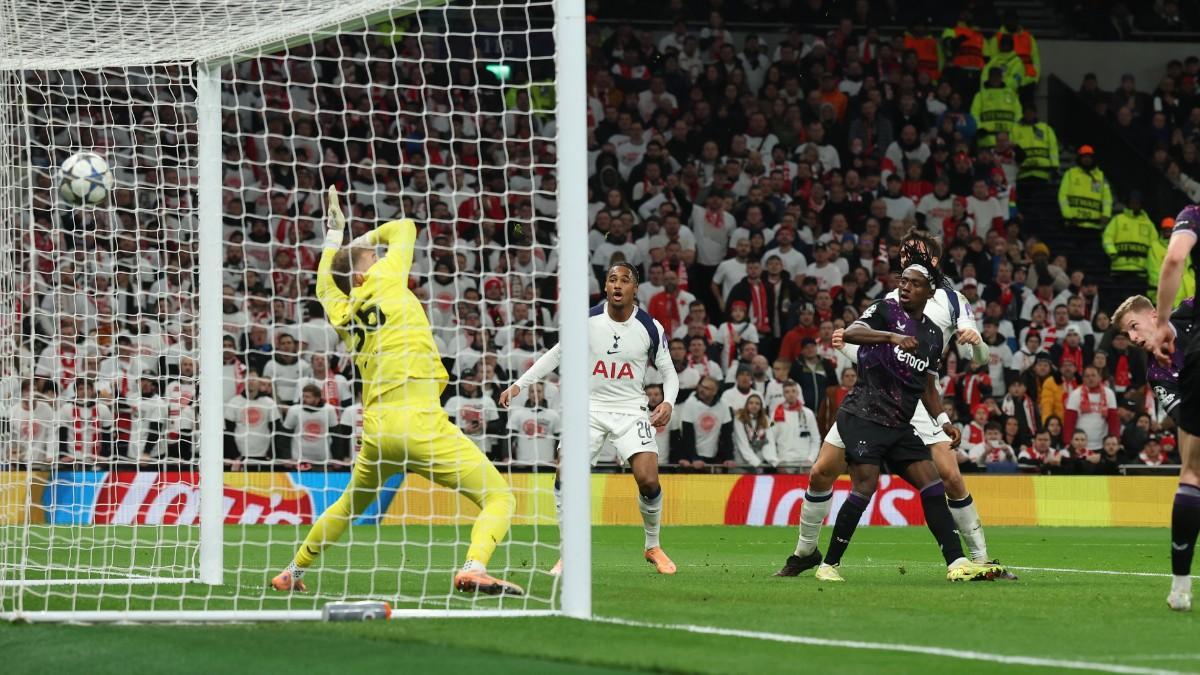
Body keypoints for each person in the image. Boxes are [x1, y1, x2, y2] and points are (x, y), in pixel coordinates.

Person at [274, 188, 522, 597]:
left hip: (376, 429)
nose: (378, 256)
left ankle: (292, 571)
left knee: (349, 506)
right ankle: (474, 567)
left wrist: (334, 240)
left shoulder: (341, 310)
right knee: (499, 496)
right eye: (372, 256)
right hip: (419, 421)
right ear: (360, 272)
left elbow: (324, 284)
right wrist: (358, 241)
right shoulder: (385, 279)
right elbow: (405, 226)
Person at [775, 265, 1005, 582]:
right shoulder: (887, 310)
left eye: (913, 283)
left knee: (934, 482)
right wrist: (891, 336)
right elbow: (853, 333)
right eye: (903, 282)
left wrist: (942, 419)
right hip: (864, 412)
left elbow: (925, 382)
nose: (905, 287)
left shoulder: (934, 334)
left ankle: (958, 562)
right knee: (860, 483)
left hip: (899, 421)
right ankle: (826, 563)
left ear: (930, 290)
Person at [500, 261, 680, 576]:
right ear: (606, 287)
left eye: (625, 280)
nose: (618, 285)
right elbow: (556, 354)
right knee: (566, 471)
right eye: (612, 280)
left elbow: (668, 371)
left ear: (634, 288)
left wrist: (668, 401)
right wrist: (519, 384)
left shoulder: (650, 326)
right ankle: (569, 552)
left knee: (649, 479)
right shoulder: (587, 320)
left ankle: (653, 545)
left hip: (630, 409)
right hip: (589, 408)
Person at [1113, 291, 1199, 610]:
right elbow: (1182, 418)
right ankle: (1180, 585)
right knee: (1191, 469)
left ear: (1154, 316)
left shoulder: (1190, 309)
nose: (1133, 338)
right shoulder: (1157, 373)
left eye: (1134, 327)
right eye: (1126, 334)